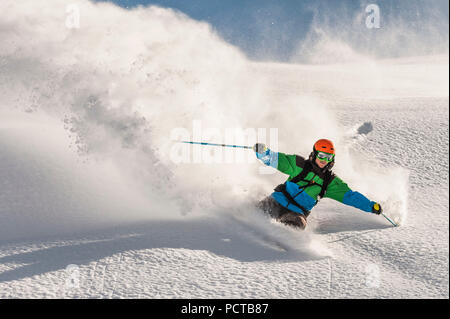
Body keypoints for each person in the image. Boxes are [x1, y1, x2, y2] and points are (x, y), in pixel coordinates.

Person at [254, 139, 383, 230]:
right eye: (321, 155)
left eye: (328, 157)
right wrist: (263, 152)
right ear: (315, 154)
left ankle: (277, 237)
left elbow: (351, 197)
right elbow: (276, 160)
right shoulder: (299, 164)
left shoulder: (330, 182)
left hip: (296, 212)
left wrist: (371, 206)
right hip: (277, 200)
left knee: (298, 224)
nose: (323, 160)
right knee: (257, 212)